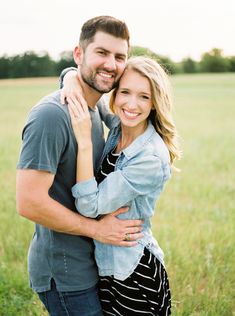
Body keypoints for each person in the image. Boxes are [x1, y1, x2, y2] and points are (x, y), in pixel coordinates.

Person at [16, 16, 144, 316]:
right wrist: (98, 230)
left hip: (92, 263)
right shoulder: (51, 116)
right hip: (65, 274)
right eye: (101, 52)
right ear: (79, 54)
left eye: (119, 57)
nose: (111, 64)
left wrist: (70, 76)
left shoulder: (96, 107)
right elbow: (28, 203)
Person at [64, 56, 181, 315]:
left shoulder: (149, 157)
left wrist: (84, 141)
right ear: (115, 94)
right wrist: (72, 78)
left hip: (133, 273)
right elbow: (79, 79)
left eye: (144, 96)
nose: (131, 104)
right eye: (125, 92)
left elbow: (89, 205)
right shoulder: (121, 125)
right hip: (109, 268)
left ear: (154, 103)